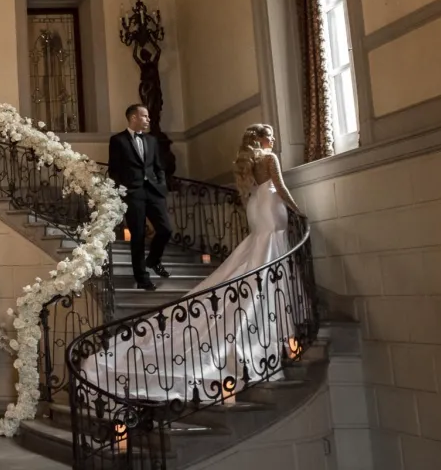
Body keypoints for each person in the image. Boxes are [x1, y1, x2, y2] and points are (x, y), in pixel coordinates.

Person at [81, 123, 301, 403]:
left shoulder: (250, 161)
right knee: (268, 254)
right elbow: (280, 187)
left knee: (260, 252)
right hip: (270, 205)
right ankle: (272, 325)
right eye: (269, 135)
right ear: (260, 138)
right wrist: (298, 210)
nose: (273, 138)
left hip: (257, 206)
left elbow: (248, 192)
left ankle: (272, 319)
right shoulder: (270, 158)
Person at [107, 104, 172, 290]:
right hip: (133, 193)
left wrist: (161, 184)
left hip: (153, 191)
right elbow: (114, 169)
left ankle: (153, 260)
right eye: (145, 116)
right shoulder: (118, 140)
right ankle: (142, 278)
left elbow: (158, 166)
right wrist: (123, 190)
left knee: (166, 229)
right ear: (134, 117)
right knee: (138, 235)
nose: (148, 119)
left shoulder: (152, 140)